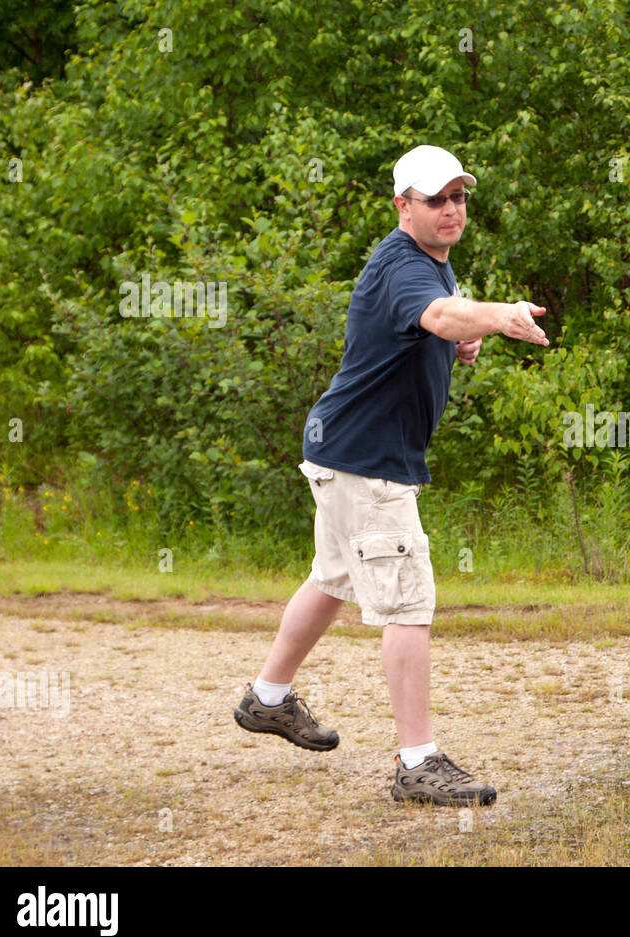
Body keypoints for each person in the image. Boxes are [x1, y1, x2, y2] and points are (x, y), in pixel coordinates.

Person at [233, 144, 550, 806]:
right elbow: (435, 313)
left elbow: (438, 318)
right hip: (367, 463)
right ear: (403, 205)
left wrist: (466, 337)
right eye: (436, 199)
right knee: (408, 603)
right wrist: (498, 317)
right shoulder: (405, 263)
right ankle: (417, 763)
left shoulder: (432, 260)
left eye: (460, 197)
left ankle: (267, 698)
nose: (451, 210)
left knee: (332, 579)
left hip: (344, 448)